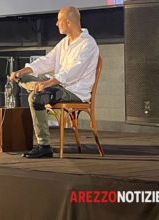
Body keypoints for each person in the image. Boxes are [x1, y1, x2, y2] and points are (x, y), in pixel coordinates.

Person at [10, 6, 99, 158]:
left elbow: (72, 73)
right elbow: (47, 61)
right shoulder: (64, 42)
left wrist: (47, 83)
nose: (57, 24)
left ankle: (44, 146)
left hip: (75, 91)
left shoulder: (88, 44)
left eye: (59, 21)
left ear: (69, 22)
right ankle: (39, 89)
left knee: (35, 98)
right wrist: (22, 71)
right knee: (22, 78)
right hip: (57, 86)